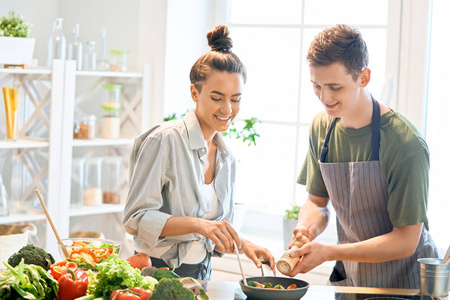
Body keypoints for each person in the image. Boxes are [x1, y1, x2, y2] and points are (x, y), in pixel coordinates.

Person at [287, 24, 439, 288]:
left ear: (364, 78)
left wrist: (331, 252)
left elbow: (405, 241)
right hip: (352, 279)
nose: (325, 97)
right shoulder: (322, 128)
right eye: (316, 86)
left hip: (405, 284)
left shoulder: (406, 144)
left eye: (335, 86)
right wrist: (307, 229)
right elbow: (317, 203)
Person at [123, 25, 275, 280]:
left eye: (235, 99)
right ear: (195, 92)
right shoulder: (164, 140)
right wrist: (199, 225)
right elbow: (135, 219)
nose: (228, 108)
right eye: (217, 97)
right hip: (155, 271)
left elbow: (213, 232)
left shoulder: (227, 159)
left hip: (201, 273)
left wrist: (244, 245)